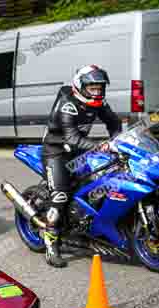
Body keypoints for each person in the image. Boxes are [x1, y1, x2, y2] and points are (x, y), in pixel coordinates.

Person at [41, 64, 122, 267]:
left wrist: (117, 140)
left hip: (79, 151)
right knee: (60, 196)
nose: (97, 92)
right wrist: (100, 146)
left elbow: (114, 123)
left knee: (104, 180)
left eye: (100, 88)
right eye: (92, 88)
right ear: (80, 86)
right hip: (56, 152)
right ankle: (51, 244)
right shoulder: (68, 104)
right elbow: (72, 137)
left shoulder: (98, 103)